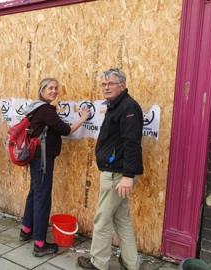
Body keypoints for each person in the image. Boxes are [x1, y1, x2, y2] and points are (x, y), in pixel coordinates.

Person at [76, 68, 143, 270]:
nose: (106, 87)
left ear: (122, 85)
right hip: (117, 172)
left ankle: (99, 263)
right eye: (103, 84)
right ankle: (132, 263)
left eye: (110, 83)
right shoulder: (117, 106)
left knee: (102, 220)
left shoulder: (128, 107)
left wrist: (128, 176)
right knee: (121, 219)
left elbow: (132, 143)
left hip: (118, 174)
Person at [19, 78, 89, 257]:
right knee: (43, 198)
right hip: (43, 160)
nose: (54, 91)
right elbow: (66, 130)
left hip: (35, 159)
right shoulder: (45, 109)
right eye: (50, 88)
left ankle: (26, 230)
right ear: (41, 90)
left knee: (35, 193)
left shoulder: (35, 107)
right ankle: (40, 244)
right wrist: (82, 118)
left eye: (56, 88)